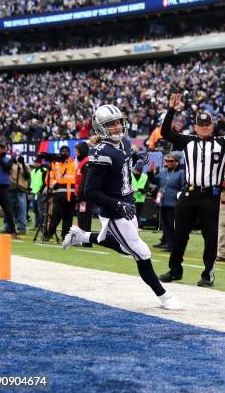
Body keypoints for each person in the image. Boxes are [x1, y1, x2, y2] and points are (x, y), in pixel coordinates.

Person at [61, 104, 181, 310]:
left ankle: (81, 236)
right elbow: (90, 192)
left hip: (128, 202)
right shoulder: (100, 153)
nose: (117, 127)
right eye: (111, 124)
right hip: (114, 210)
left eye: (118, 122)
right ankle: (164, 296)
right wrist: (116, 204)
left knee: (128, 248)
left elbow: (124, 161)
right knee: (141, 252)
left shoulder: (124, 143)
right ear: (100, 127)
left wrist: (137, 158)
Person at [158, 93, 225, 287]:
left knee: (210, 237)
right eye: (201, 126)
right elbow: (165, 133)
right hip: (189, 193)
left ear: (212, 126)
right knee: (179, 234)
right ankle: (175, 270)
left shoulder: (222, 142)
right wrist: (171, 111)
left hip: (210, 195)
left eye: (208, 125)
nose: (205, 128)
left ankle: (208, 274)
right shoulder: (187, 140)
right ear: (195, 127)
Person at [147, 152, 184, 252]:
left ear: (176, 162)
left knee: (170, 224)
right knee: (165, 223)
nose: (168, 163)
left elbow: (183, 187)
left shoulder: (181, 173)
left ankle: (171, 244)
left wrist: (179, 199)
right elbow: (155, 181)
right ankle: (165, 241)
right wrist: (150, 172)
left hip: (173, 203)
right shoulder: (163, 172)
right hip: (162, 202)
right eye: (166, 160)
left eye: (171, 161)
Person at [45, 145, 76, 242]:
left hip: (71, 194)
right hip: (59, 194)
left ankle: (65, 237)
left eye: (67, 151)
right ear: (60, 152)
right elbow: (48, 179)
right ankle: (49, 234)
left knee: (68, 218)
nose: (65, 152)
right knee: (56, 216)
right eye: (63, 151)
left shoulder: (73, 163)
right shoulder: (54, 164)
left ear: (69, 153)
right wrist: (54, 184)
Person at [74, 141, 93, 246]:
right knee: (82, 216)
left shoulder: (86, 163)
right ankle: (84, 240)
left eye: (76, 151)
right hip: (82, 197)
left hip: (84, 198)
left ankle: (86, 241)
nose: (75, 153)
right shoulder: (84, 162)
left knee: (84, 216)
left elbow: (85, 181)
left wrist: (79, 196)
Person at [7, 155, 30, 234]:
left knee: (22, 210)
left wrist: (22, 163)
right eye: (16, 157)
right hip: (11, 189)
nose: (18, 159)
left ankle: (22, 228)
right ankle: (8, 227)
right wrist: (11, 161)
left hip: (21, 190)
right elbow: (6, 170)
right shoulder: (11, 164)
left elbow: (27, 176)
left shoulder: (26, 165)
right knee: (9, 210)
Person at [131, 161, 149, 226]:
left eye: (139, 171)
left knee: (137, 214)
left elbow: (146, 189)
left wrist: (138, 189)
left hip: (140, 199)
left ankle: (137, 226)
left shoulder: (145, 177)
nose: (138, 172)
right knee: (131, 214)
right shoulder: (130, 176)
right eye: (137, 170)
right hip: (131, 198)